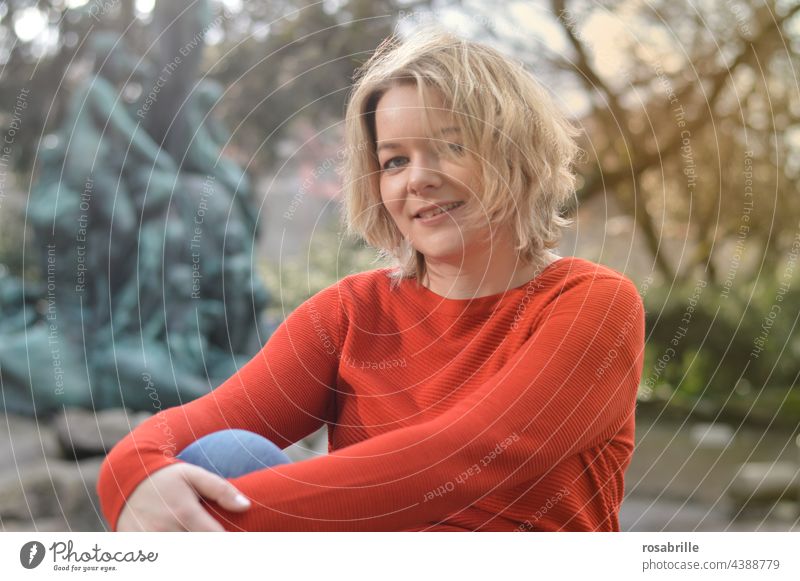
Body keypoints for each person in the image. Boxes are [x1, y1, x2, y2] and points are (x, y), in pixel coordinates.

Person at [97, 28, 645, 532]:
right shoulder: (353, 311)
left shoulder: (594, 302)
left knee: (204, 487)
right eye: (394, 160)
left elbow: (468, 456)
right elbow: (178, 432)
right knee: (221, 455)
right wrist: (134, 479)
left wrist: (201, 526)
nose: (418, 179)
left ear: (515, 153)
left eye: (452, 146)